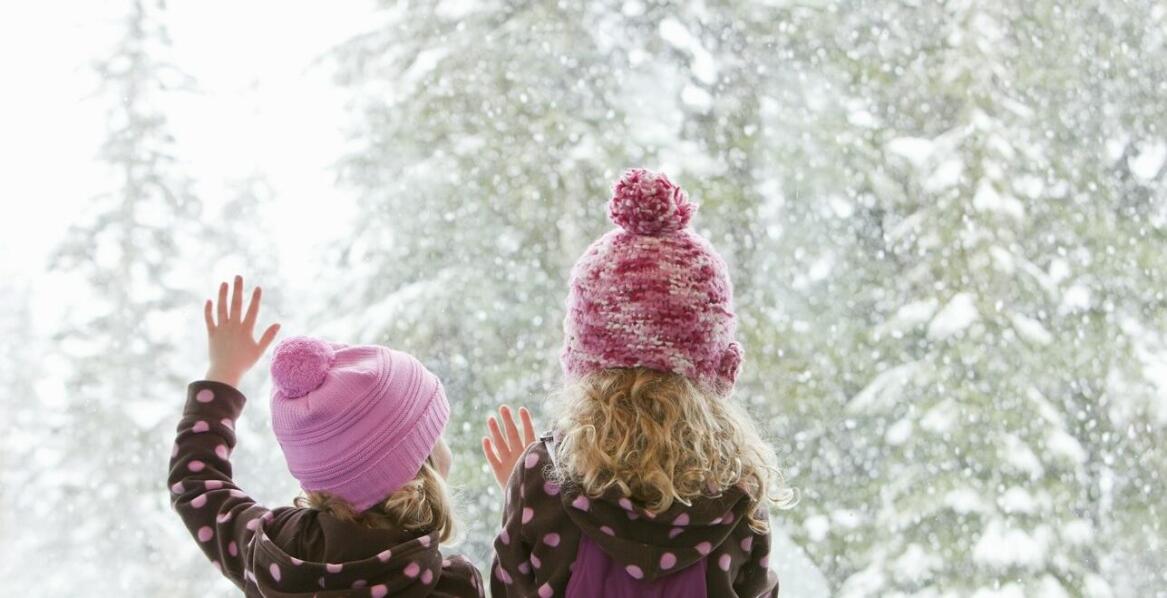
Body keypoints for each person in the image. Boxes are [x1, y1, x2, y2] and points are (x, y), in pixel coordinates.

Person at [484, 169, 794, 597]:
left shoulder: (544, 478)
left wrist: (531, 497)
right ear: (717, 365)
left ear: (583, 356)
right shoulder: (738, 491)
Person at [168, 276, 483, 597]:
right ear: (414, 477)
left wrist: (223, 373)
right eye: (436, 435)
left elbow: (194, 485)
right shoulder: (449, 587)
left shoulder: (272, 552)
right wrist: (524, 496)